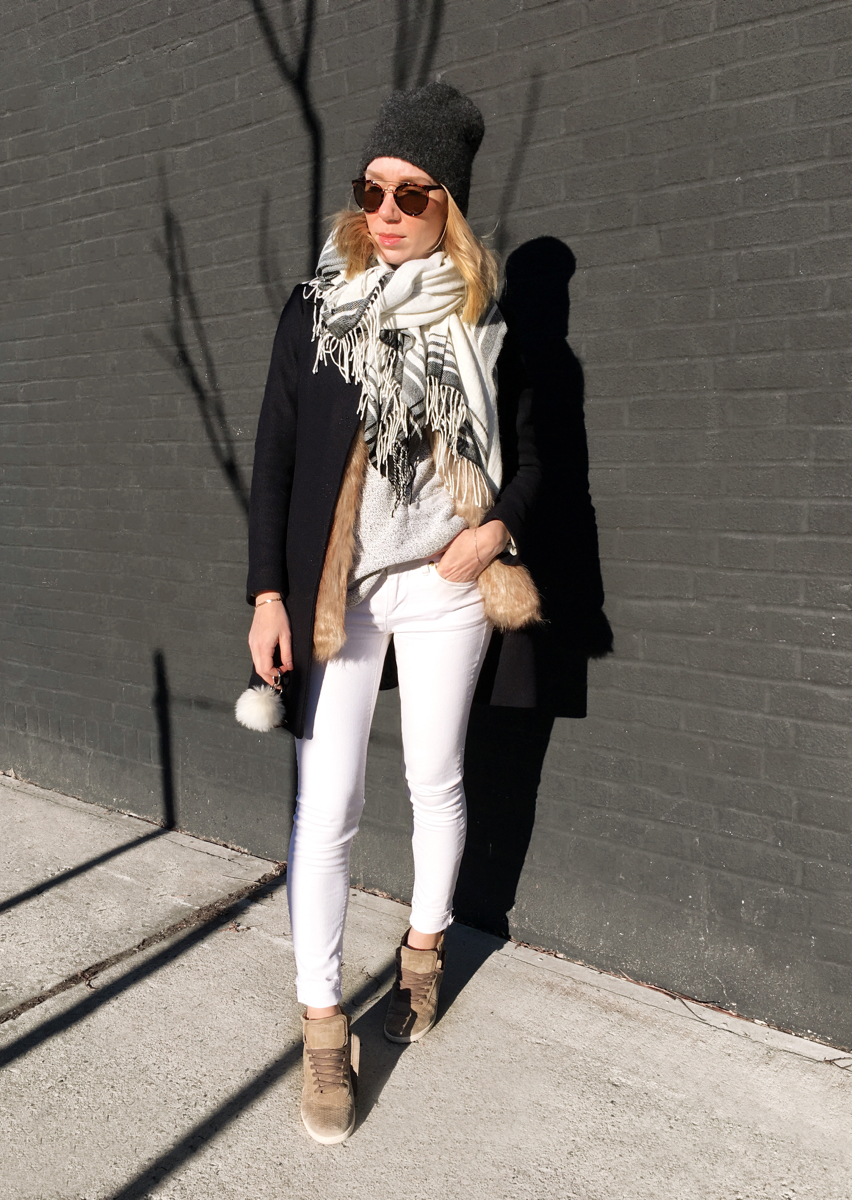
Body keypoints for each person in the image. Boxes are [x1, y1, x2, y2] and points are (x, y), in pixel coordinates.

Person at [244, 82, 544, 1145]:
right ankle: (325, 1029)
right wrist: (266, 592)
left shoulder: (483, 319)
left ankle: (422, 955)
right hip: (341, 591)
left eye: (411, 194)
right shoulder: (315, 311)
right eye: (372, 187)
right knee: (326, 807)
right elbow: (276, 459)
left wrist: (493, 531)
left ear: (446, 207)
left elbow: (543, 452)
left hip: (444, 582)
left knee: (433, 778)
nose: (385, 208)